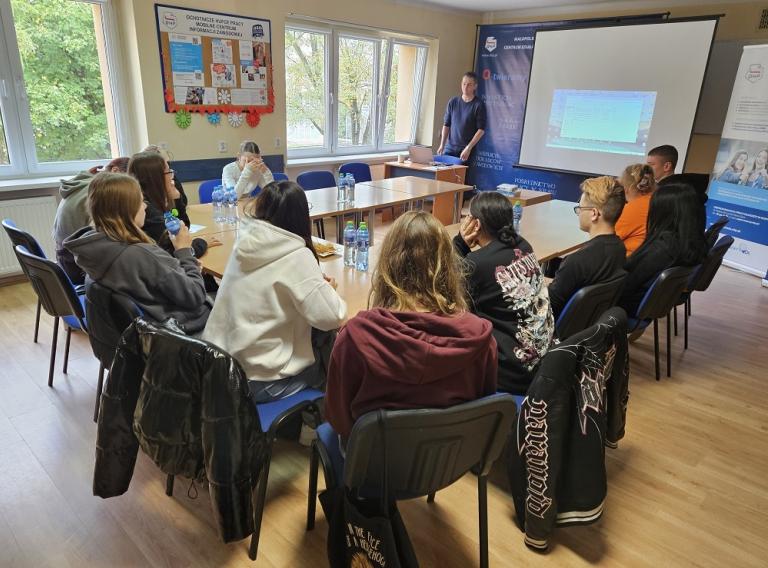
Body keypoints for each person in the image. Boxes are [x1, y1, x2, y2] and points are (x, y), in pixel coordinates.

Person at [325, 211, 498, 442]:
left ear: (388, 263)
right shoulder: (481, 339)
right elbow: (480, 412)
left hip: (372, 464)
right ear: (448, 265)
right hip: (446, 462)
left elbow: (339, 420)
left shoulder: (355, 338)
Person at [202, 181, 346, 402]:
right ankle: (326, 417)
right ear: (301, 216)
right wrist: (328, 291)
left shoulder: (246, 241)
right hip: (258, 381)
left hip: (220, 366)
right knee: (332, 351)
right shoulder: (297, 254)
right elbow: (332, 317)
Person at [64, 172, 211, 333]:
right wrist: (184, 252)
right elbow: (195, 295)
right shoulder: (140, 254)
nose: (146, 206)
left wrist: (188, 268)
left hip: (142, 331)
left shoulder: (94, 247)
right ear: (127, 209)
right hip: (178, 333)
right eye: (141, 201)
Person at [453, 192, 553, 395]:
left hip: (513, 372)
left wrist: (459, 244)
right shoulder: (523, 245)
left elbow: (445, 289)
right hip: (544, 358)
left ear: (476, 224)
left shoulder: (477, 264)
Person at [618, 183, 707, 316]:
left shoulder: (661, 250)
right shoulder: (691, 244)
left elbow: (624, 286)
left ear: (661, 213)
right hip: (652, 305)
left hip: (627, 307)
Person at [547, 176, 627, 320]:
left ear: (594, 214)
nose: (578, 213)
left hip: (555, 329)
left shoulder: (576, 261)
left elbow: (548, 305)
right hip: (586, 326)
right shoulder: (619, 248)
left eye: (580, 208)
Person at [53, 157, 129, 285]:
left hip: (64, 258)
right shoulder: (98, 192)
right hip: (76, 267)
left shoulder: (82, 184)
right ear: (115, 171)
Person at [437, 71, 487, 163]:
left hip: (466, 150)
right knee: (443, 175)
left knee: (460, 176)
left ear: (475, 86)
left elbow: (481, 130)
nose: (465, 87)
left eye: (469, 85)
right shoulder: (453, 102)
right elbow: (446, 125)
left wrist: (468, 148)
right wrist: (442, 145)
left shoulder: (479, 105)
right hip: (450, 148)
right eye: (464, 84)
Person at [143, 144, 191, 227]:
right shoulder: (148, 206)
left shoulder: (170, 178)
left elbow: (184, 225)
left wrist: (176, 199)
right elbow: (178, 230)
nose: (171, 174)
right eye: (166, 169)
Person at [615, 163, 657, 256]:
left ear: (626, 187)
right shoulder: (656, 200)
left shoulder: (632, 209)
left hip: (629, 263)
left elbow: (608, 240)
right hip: (649, 259)